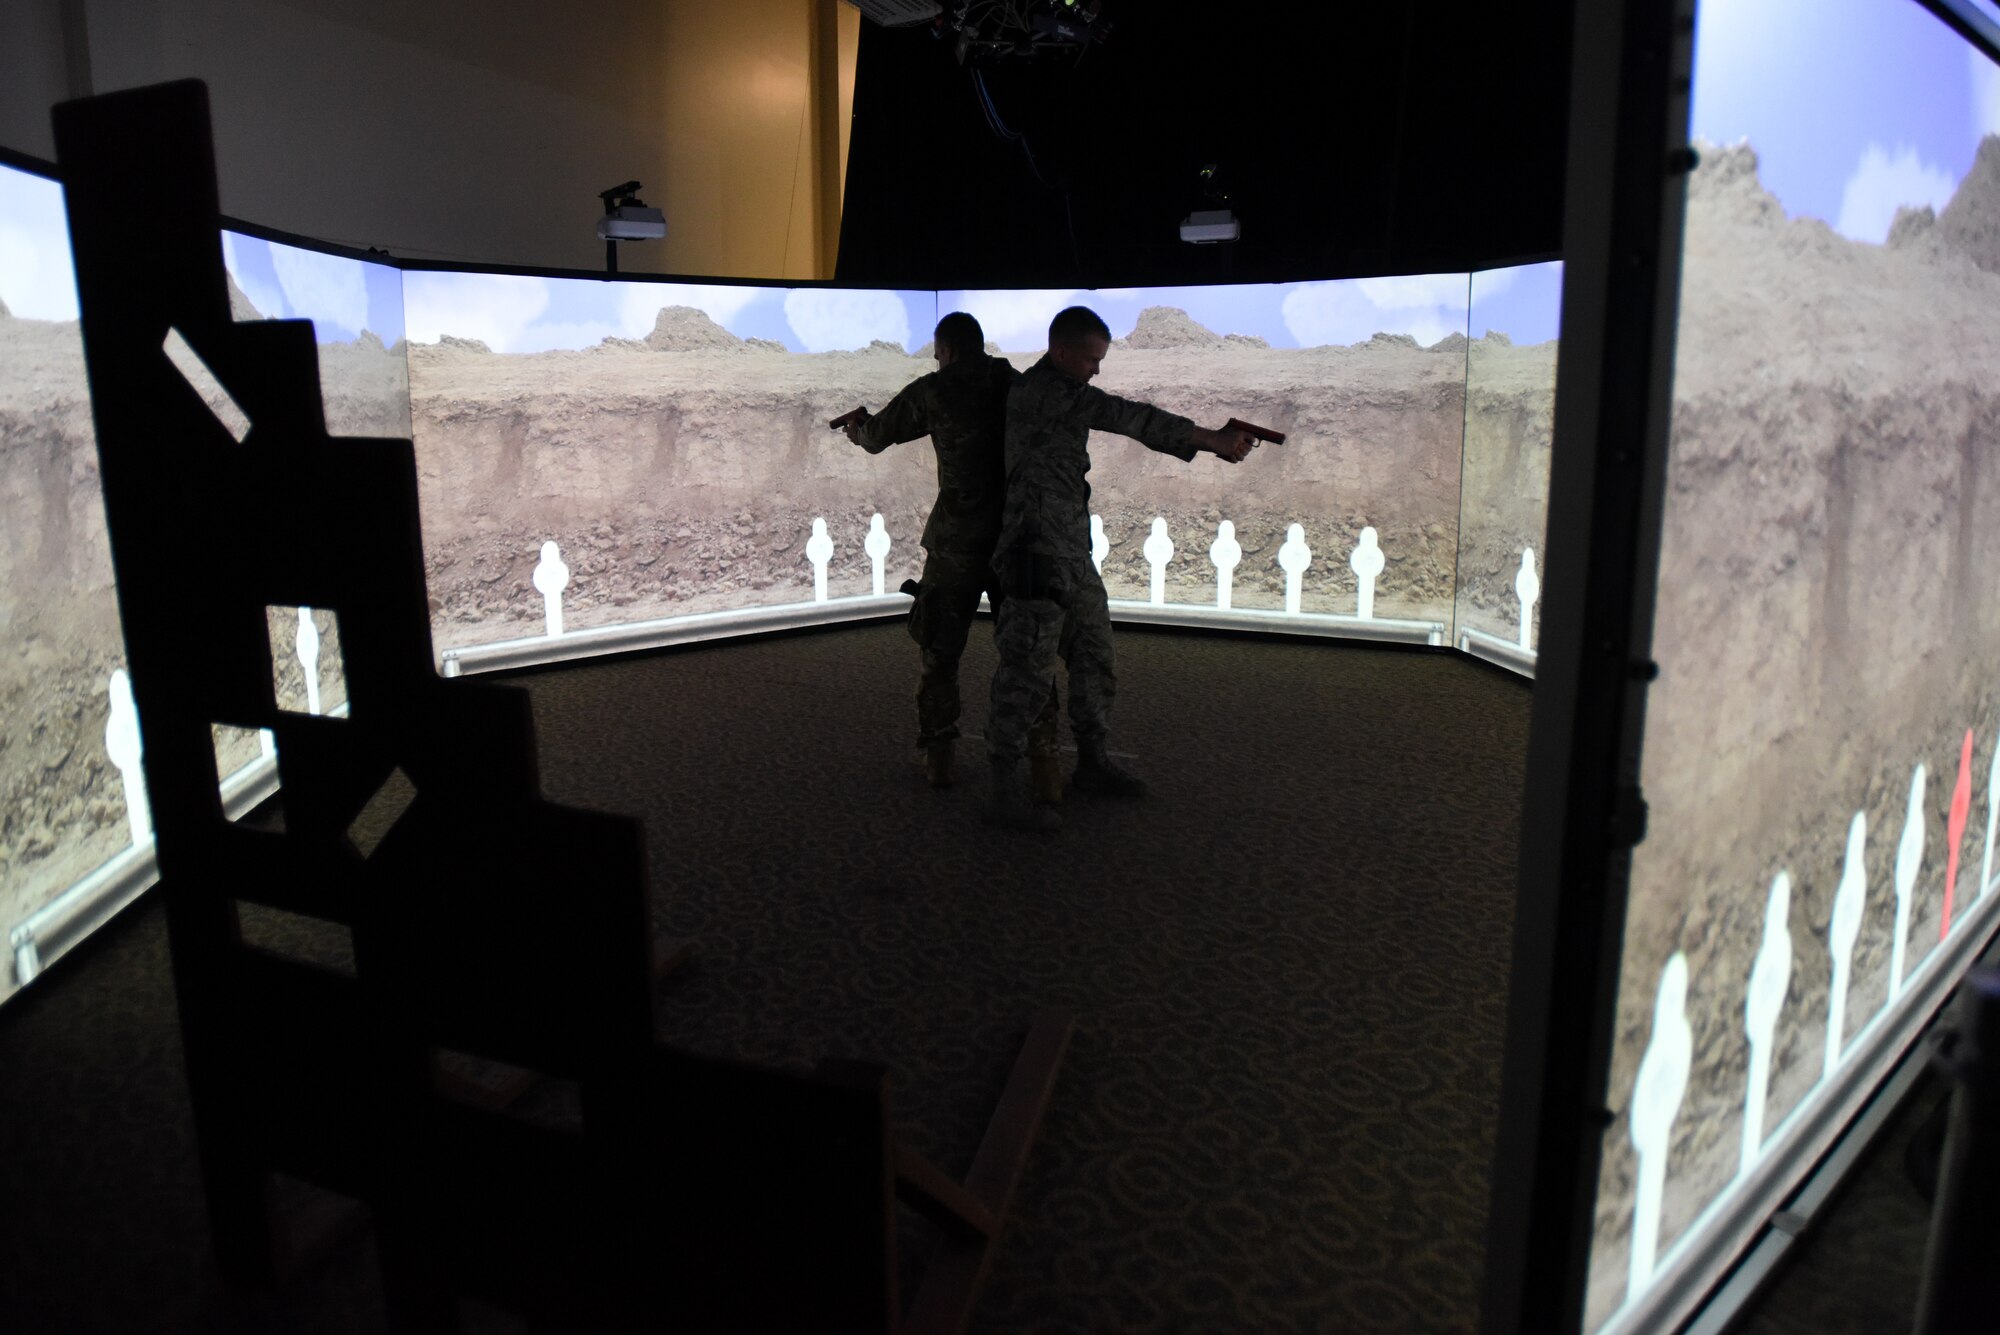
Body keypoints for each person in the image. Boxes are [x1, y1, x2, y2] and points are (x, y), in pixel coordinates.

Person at [985, 305, 1258, 830]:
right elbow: (1126, 416)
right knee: (1025, 675)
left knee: (1095, 656)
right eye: (1091, 359)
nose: (1096, 369)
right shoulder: (1045, 392)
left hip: (1068, 553)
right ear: (1062, 352)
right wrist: (1212, 440)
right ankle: (1001, 789)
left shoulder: (1056, 390)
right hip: (1034, 555)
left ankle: (1092, 763)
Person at [847, 311, 1048, 788]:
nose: (937, 361)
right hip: (1014, 541)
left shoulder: (934, 390)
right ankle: (1044, 762)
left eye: (938, 353)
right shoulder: (1012, 384)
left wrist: (858, 428)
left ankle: (939, 756)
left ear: (949, 350)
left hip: (957, 543)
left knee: (940, 653)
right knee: (1026, 654)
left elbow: (876, 438)